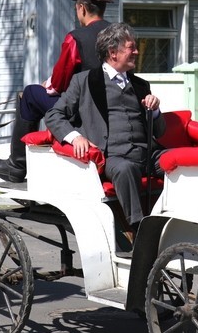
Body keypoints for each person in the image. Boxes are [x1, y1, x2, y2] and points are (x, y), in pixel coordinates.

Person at [45, 22, 166, 243]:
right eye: (132, 47)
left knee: (179, 162)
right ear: (113, 53)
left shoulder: (141, 84)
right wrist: (75, 137)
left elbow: (160, 131)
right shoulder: (84, 81)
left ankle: (177, 219)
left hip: (149, 154)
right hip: (114, 157)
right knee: (124, 169)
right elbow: (54, 115)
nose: (137, 52)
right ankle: (139, 232)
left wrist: (155, 111)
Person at [0, 0, 113, 182]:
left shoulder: (77, 38)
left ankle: (17, 165)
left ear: (82, 8)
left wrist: (47, 85)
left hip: (81, 112)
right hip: (110, 108)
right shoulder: (119, 34)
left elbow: (58, 84)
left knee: (29, 93)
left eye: (76, 8)